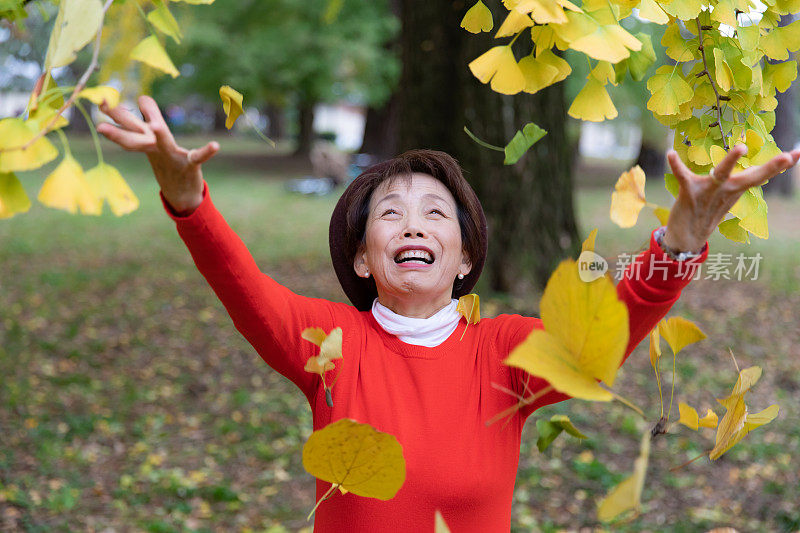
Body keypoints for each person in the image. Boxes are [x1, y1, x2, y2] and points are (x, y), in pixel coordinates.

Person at [97, 96, 800, 532]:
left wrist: (678, 243)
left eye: (436, 214)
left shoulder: (505, 352)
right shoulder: (329, 343)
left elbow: (601, 334)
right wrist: (190, 201)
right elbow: (241, 283)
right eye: (390, 215)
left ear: (464, 258)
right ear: (364, 258)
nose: (413, 225)